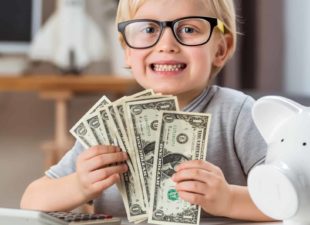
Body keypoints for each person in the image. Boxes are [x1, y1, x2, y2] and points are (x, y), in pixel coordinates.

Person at [21, 0, 272, 221]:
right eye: (149, 29)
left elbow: (293, 200)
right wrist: (79, 185)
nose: (166, 44)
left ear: (220, 50)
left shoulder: (238, 114)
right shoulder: (110, 128)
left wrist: (228, 199)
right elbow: (31, 202)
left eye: (188, 29)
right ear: (128, 52)